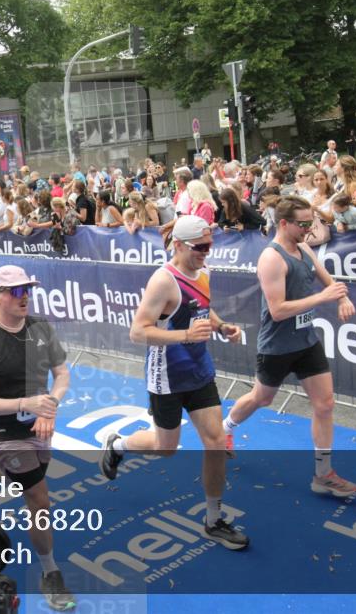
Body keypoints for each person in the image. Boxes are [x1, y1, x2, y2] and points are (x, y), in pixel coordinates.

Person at [98, 215, 250, 550]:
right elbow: (138, 332)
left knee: (215, 442)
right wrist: (183, 335)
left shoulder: (204, 272)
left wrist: (222, 326)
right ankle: (118, 446)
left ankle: (213, 520)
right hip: (165, 376)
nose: (206, 253)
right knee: (165, 448)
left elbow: (201, 310)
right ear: (178, 245)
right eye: (200, 247)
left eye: (210, 246)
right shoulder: (163, 281)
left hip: (198, 370)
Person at [223, 196, 356, 496]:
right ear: (283, 223)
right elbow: (278, 310)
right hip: (277, 345)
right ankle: (225, 429)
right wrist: (322, 299)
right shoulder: (271, 259)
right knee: (262, 398)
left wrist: (342, 297)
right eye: (303, 224)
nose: (309, 230)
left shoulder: (305, 248)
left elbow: (330, 283)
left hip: (306, 341)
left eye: (311, 223)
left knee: (325, 404)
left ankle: (323, 475)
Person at [0, 265, 75, 611]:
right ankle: (50, 572)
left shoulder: (41, 327)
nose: (24, 297)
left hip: (41, 421)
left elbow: (63, 376)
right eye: (16, 291)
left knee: (28, 479)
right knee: (39, 498)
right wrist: (27, 403)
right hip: (4, 428)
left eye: (28, 290)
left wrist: (49, 406)